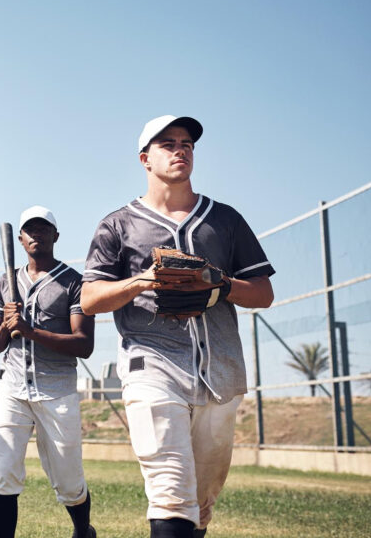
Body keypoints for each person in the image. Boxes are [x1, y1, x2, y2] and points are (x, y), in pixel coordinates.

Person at [81, 115, 275, 538]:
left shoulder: (222, 219)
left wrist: (220, 282)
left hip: (220, 370)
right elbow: (89, 299)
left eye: (186, 143)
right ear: (145, 158)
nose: (180, 149)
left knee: (200, 504)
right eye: (167, 143)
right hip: (151, 366)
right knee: (170, 491)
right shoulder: (118, 224)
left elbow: (263, 292)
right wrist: (141, 281)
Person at [0, 206, 96, 538]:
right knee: (4, 475)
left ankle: (82, 530)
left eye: (43, 229)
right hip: (13, 388)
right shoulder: (6, 281)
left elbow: (84, 344)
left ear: (55, 236)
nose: (36, 234)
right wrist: (8, 326)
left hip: (57, 388)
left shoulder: (74, 282)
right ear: (20, 239)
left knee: (68, 479)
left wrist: (31, 330)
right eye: (29, 230)